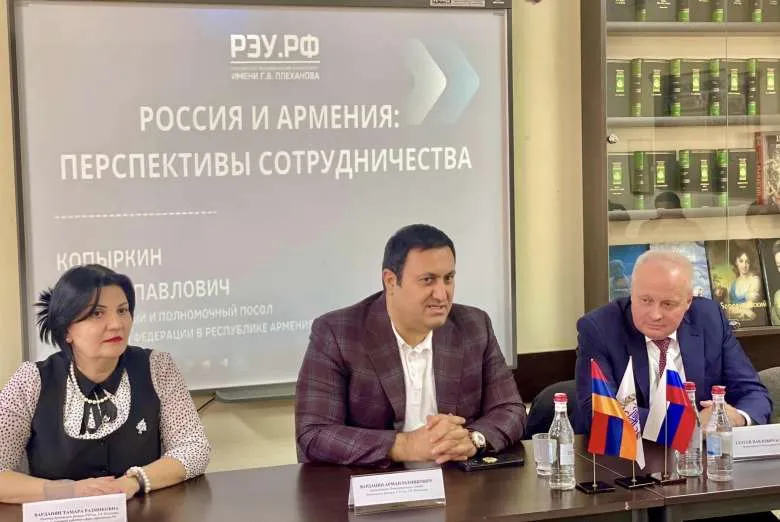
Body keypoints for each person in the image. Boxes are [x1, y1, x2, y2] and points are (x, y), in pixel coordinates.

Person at [295, 224, 525, 467]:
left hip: (455, 481)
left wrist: (472, 439)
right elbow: (314, 433)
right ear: (390, 281)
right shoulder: (338, 333)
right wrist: (404, 446)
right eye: (427, 280)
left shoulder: (474, 326)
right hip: (375, 482)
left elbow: (511, 409)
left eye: (448, 278)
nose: (442, 294)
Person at [0, 265, 210, 504]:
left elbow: (194, 447)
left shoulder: (158, 367)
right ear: (67, 329)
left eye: (122, 310)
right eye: (97, 314)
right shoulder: (31, 381)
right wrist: (71, 491)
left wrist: (133, 481)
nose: (116, 324)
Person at [575, 250, 771, 433]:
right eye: (645, 300)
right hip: (631, 454)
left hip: (703, 452)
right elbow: (599, 410)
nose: (655, 314)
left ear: (688, 301)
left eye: (668, 304)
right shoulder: (599, 328)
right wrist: (689, 424)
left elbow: (752, 393)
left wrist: (737, 418)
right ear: (631, 294)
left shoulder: (709, 319)